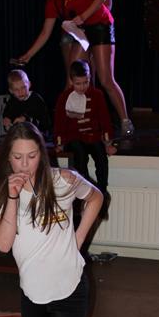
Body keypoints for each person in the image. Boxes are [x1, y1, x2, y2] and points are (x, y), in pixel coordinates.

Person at [0, 122, 104, 317]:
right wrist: (12, 197)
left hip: (69, 290)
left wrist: (78, 239)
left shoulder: (63, 180)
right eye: (17, 157)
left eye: (32, 156)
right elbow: (3, 245)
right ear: (8, 157)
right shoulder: (2, 190)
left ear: (42, 155)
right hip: (33, 294)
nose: (25, 165)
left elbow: (96, 198)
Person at [16, 0, 134, 137]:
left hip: (101, 25)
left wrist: (83, 16)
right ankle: (66, 126)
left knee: (106, 79)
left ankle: (125, 121)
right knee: (72, 79)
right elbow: (45, 32)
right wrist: (29, 54)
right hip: (81, 31)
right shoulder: (52, 1)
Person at [54, 59, 116, 219]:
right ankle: (85, 193)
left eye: (85, 82)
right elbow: (59, 122)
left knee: (100, 155)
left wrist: (108, 142)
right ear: (71, 81)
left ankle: (101, 193)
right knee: (79, 155)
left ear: (90, 78)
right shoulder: (65, 97)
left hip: (92, 136)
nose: (82, 87)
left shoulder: (97, 95)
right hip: (74, 138)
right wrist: (59, 143)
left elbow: (104, 119)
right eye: (78, 83)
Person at [3, 69, 51, 137]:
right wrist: (7, 119)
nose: (20, 92)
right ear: (11, 91)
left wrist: (26, 119)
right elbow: (7, 114)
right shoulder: (12, 101)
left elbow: (45, 123)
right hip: (19, 136)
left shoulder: (36, 99)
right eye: (16, 89)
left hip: (38, 135)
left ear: (29, 84)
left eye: (23, 87)